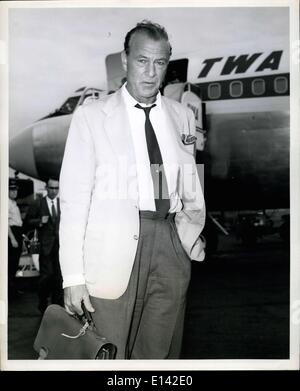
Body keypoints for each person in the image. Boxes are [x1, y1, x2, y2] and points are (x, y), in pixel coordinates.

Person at [59, 20, 206, 359]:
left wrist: (186, 239)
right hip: (112, 250)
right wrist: (73, 276)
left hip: (169, 247)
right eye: (142, 61)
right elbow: (75, 200)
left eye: (159, 63)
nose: (151, 73)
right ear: (125, 60)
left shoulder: (182, 116)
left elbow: (184, 182)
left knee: (160, 356)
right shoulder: (92, 117)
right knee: (109, 355)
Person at [26, 178, 63, 313]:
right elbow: (28, 222)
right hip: (45, 247)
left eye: (56, 188)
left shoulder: (62, 204)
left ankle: (57, 307)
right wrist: (39, 221)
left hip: (60, 247)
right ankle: (42, 303)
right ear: (46, 188)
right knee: (46, 277)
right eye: (51, 188)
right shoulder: (38, 203)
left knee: (59, 277)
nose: (54, 191)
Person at [8, 178, 23, 299]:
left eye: (16, 190)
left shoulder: (14, 203)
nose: (14, 192)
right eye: (11, 190)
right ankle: (9, 291)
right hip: (12, 233)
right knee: (11, 263)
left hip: (17, 232)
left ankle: (12, 290)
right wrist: (12, 239)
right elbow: (6, 223)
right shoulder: (7, 202)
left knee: (14, 263)